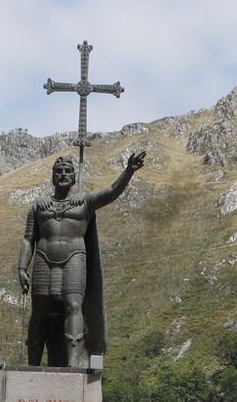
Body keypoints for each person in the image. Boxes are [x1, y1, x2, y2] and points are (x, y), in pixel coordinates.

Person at [17, 149, 143, 369]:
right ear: (52, 176)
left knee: (74, 306)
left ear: (74, 177)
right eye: (59, 171)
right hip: (43, 259)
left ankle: (73, 366)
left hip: (74, 258)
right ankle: (33, 366)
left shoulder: (84, 202)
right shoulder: (39, 205)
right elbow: (28, 239)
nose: (63, 174)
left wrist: (128, 172)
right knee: (39, 311)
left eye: (67, 171)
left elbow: (112, 192)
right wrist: (21, 267)